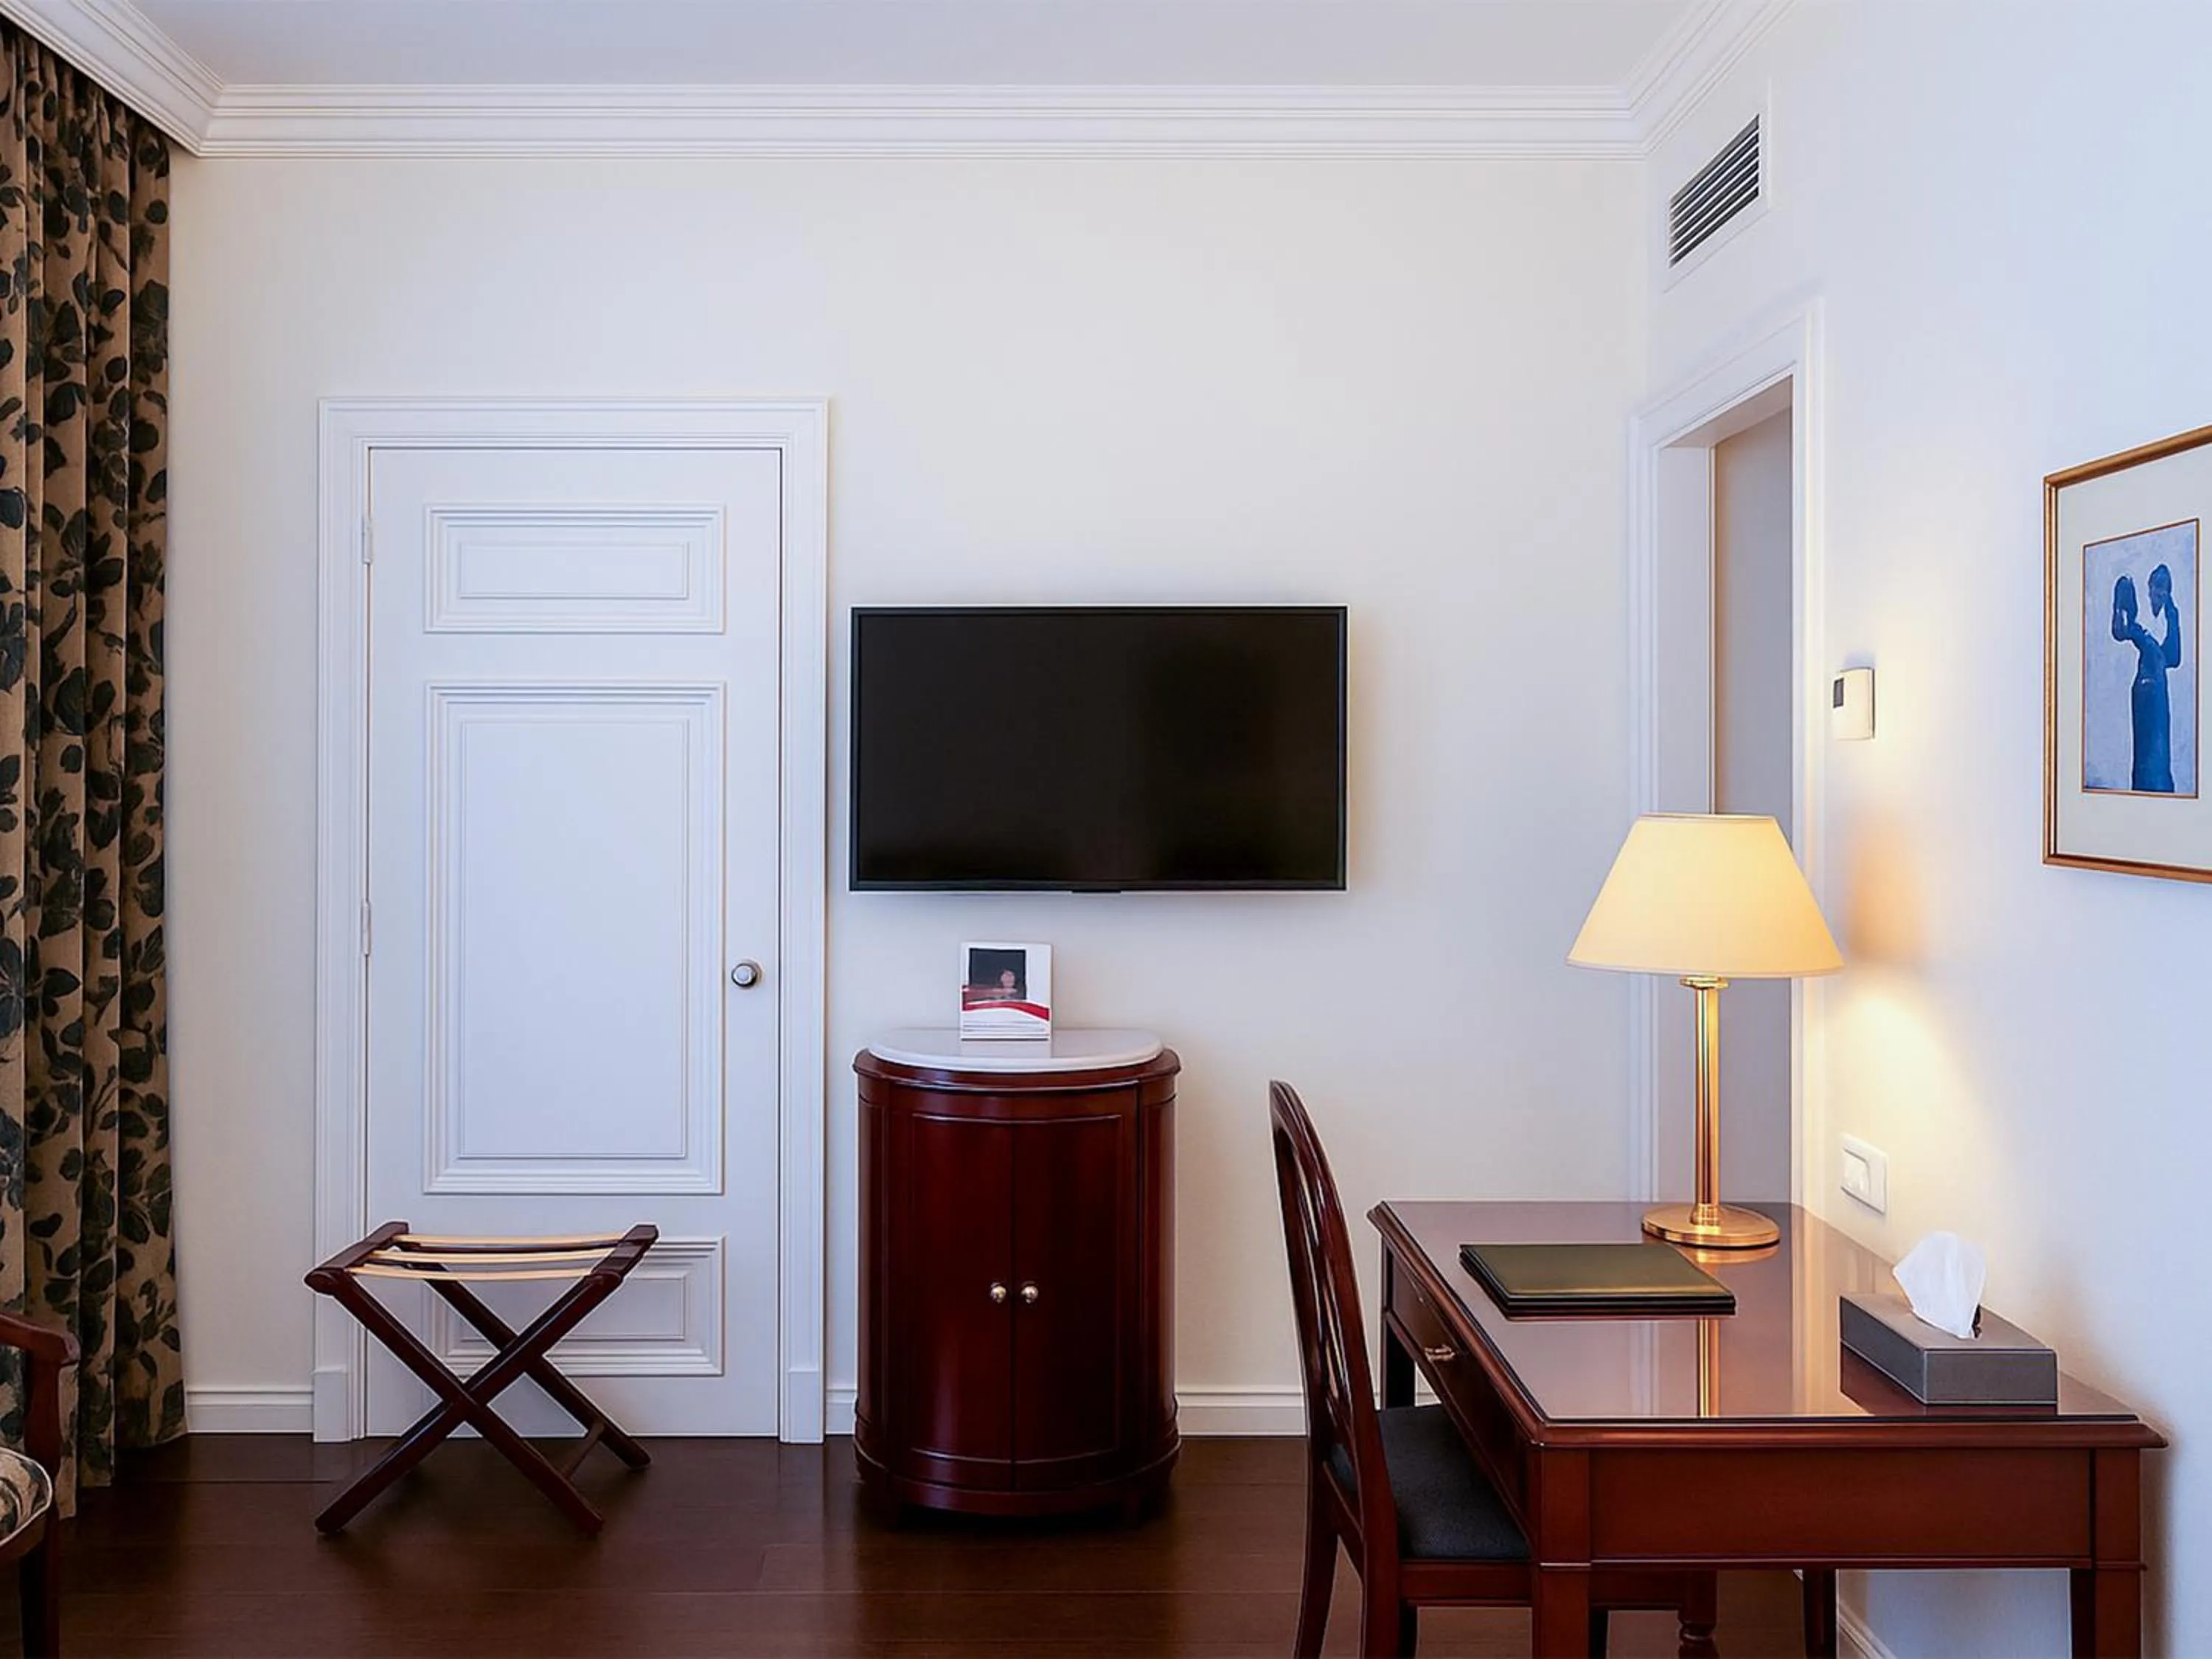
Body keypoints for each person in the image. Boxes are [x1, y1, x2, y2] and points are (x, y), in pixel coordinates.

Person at [2112, 564, 2183, 792]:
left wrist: (2172, 614)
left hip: (2158, 691)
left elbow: (2173, 658)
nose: (2159, 594)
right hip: (2146, 690)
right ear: (2149, 587)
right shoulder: (2138, 622)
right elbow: (2120, 631)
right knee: (2147, 757)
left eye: (2165, 589)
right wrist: (2122, 608)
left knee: (2160, 757)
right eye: (2157, 587)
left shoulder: (2166, 616)